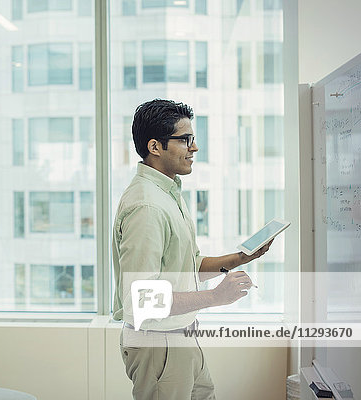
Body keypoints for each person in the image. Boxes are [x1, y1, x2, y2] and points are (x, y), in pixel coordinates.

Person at [112, 99, 273, 400]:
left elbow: (187, 264)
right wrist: (215, 297)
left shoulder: (167, 193)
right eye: (185, 140)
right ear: (155, 147)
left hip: (181, 334)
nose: (194, 148)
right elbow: (141, 300)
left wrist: (241, 258)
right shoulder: (147, 206)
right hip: (159, 343)